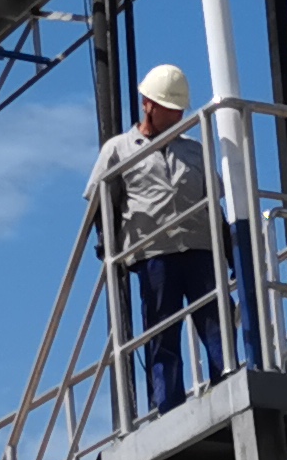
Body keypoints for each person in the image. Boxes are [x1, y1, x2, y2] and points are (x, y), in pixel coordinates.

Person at [90, 62, 237, 411]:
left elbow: (213, 204)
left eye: (179, 110)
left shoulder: (194, 149)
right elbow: (100, 206)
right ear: (148, 105)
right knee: (161, 331)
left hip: (200, 247)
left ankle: (228, 381)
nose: (176, 116)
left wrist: (230, 252)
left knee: (217, 320)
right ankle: (167, 404)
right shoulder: (118, 150)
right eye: (169, 109)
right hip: (154, 254)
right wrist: (109, 250)